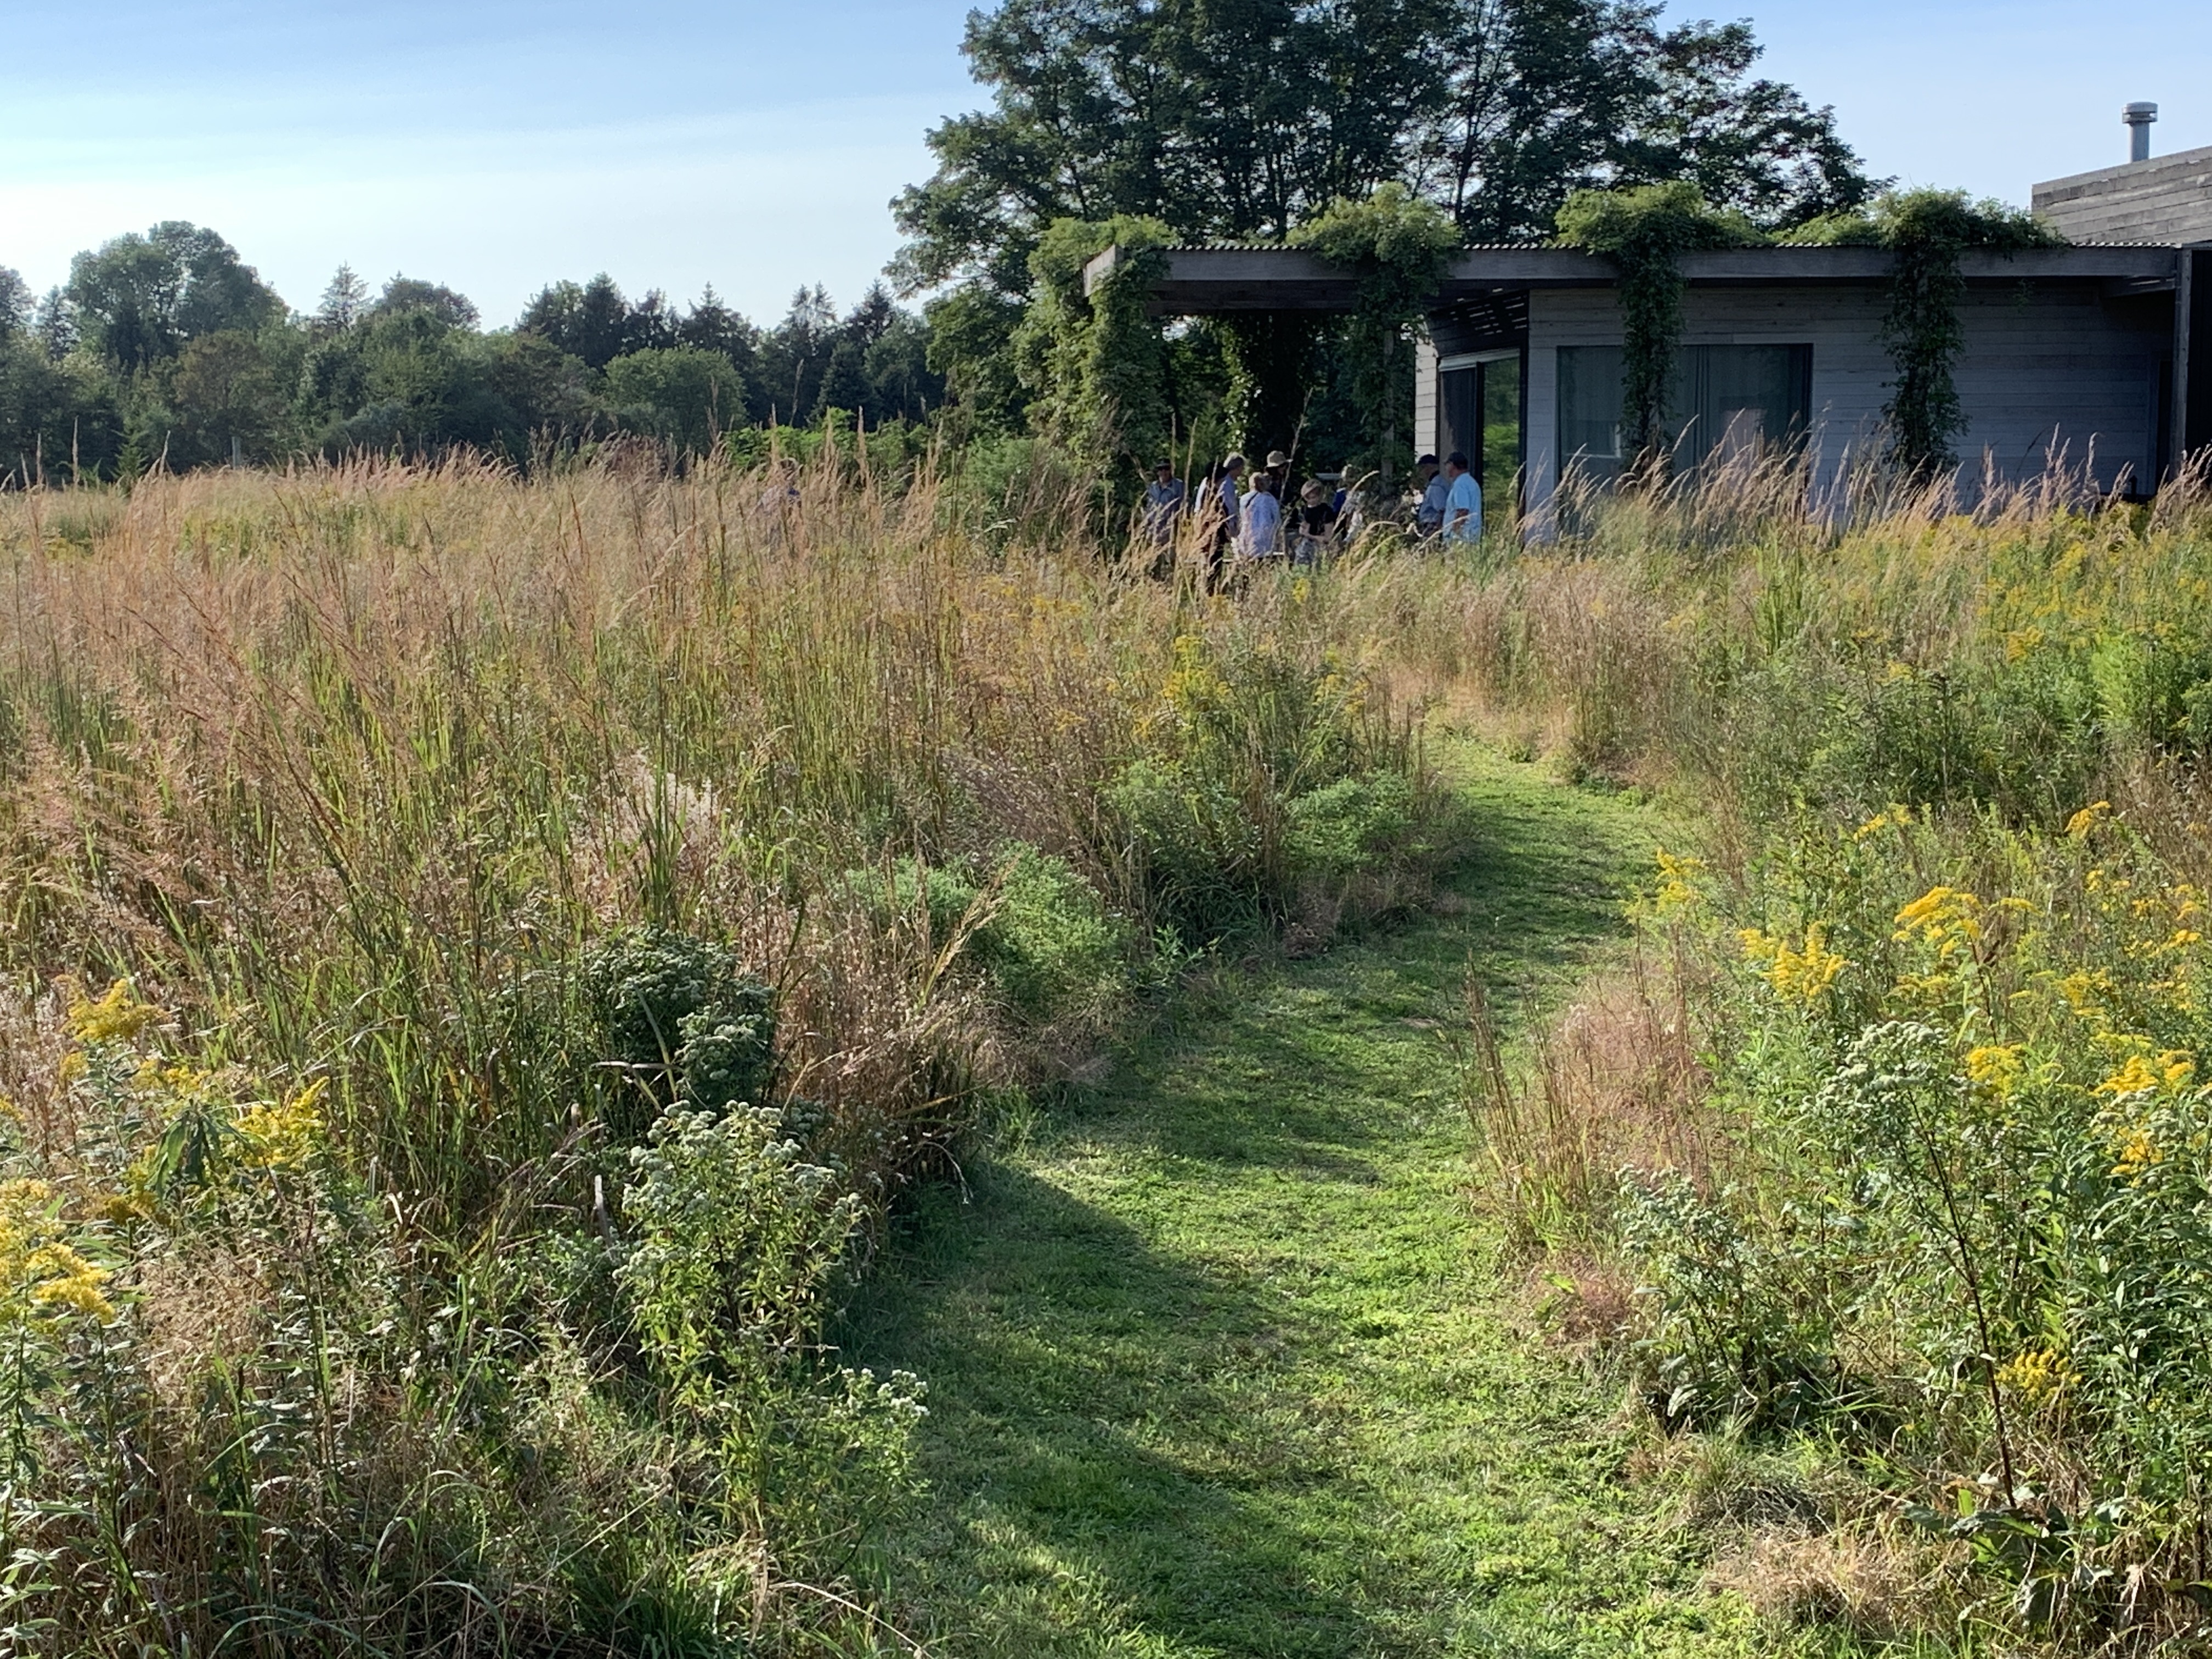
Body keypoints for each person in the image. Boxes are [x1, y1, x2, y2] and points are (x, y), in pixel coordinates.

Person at [1441, 450, 1483, 544]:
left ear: (1452, 465)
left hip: (1461, 538)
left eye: (1447, 465)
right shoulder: (1471, 482)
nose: (1446, 469)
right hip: (1472, 536)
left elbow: (1463, 511)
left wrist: (1454, 533)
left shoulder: (1460, 484)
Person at [1292, 479, 1339, 563]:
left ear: (1320, 496)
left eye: (1314, 497)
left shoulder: (1326, 511)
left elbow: (1328, 538)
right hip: (1304, 547)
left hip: (1320, 547)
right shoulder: (1303, 510)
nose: (1311, 500)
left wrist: (1310, 536)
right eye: (1308, 498)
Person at [1240, 469, 1283, 559]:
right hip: (1266, 538)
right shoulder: (1270, 499)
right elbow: (1277, 519)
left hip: (1248, 537)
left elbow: (1242, 517)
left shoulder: (1243, 499)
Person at [1143, 461, 1184, 548]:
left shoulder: (1178, 485)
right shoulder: (1153, 486)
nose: (1163, 472)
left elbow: (1184, 504)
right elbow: (1149, 506)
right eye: (1160, 469)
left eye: (1166, 469)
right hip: (1154, 529)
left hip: (1170, 529)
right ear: (1157, 472)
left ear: (1170, 470)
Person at [1414, 454, 1447, 535]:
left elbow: (1442, 511)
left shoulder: (1436, 487)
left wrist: (1435, 530)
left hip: (1432, 527)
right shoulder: (1436, 484)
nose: (1420, 472)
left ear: (1428, 468)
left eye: (1422, 468)